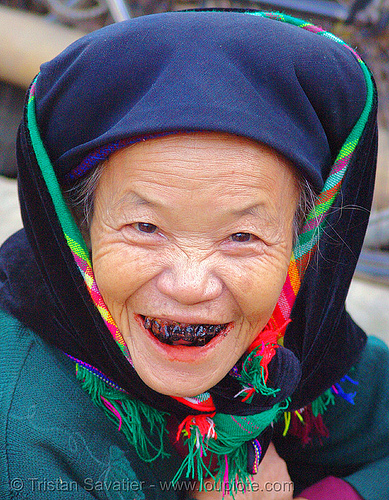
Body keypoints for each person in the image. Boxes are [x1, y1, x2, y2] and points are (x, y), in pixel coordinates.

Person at [0, 8, 388, 500]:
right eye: (145, 227)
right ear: (77, 229)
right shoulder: (22, 430)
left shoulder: (298, 338)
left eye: (242, 237)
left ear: (302, 243)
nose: (189, 285)